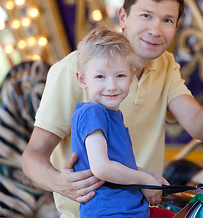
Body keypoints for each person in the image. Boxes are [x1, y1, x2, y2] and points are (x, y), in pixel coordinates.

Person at [21, 0, 203, 217]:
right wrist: (62, 183)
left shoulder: (165, 65)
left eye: (167, 20)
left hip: (140, 208)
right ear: (123, 16)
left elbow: (199, 129)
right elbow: (33, 156)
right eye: (146, 16)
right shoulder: (77, 68)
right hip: (93, 211)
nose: (155, 30)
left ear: (176, 27)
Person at [71, 27, 174, 217]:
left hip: (131, 209)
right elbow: (102, 167)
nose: (111, 86)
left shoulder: (112, 115)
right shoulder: (91, 112)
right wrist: (143, 179)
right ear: (82, 80)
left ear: (131, 77)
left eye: (120, 76)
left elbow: (119, 163)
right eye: (100, 77)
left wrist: (150, 178)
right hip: (110, 212)